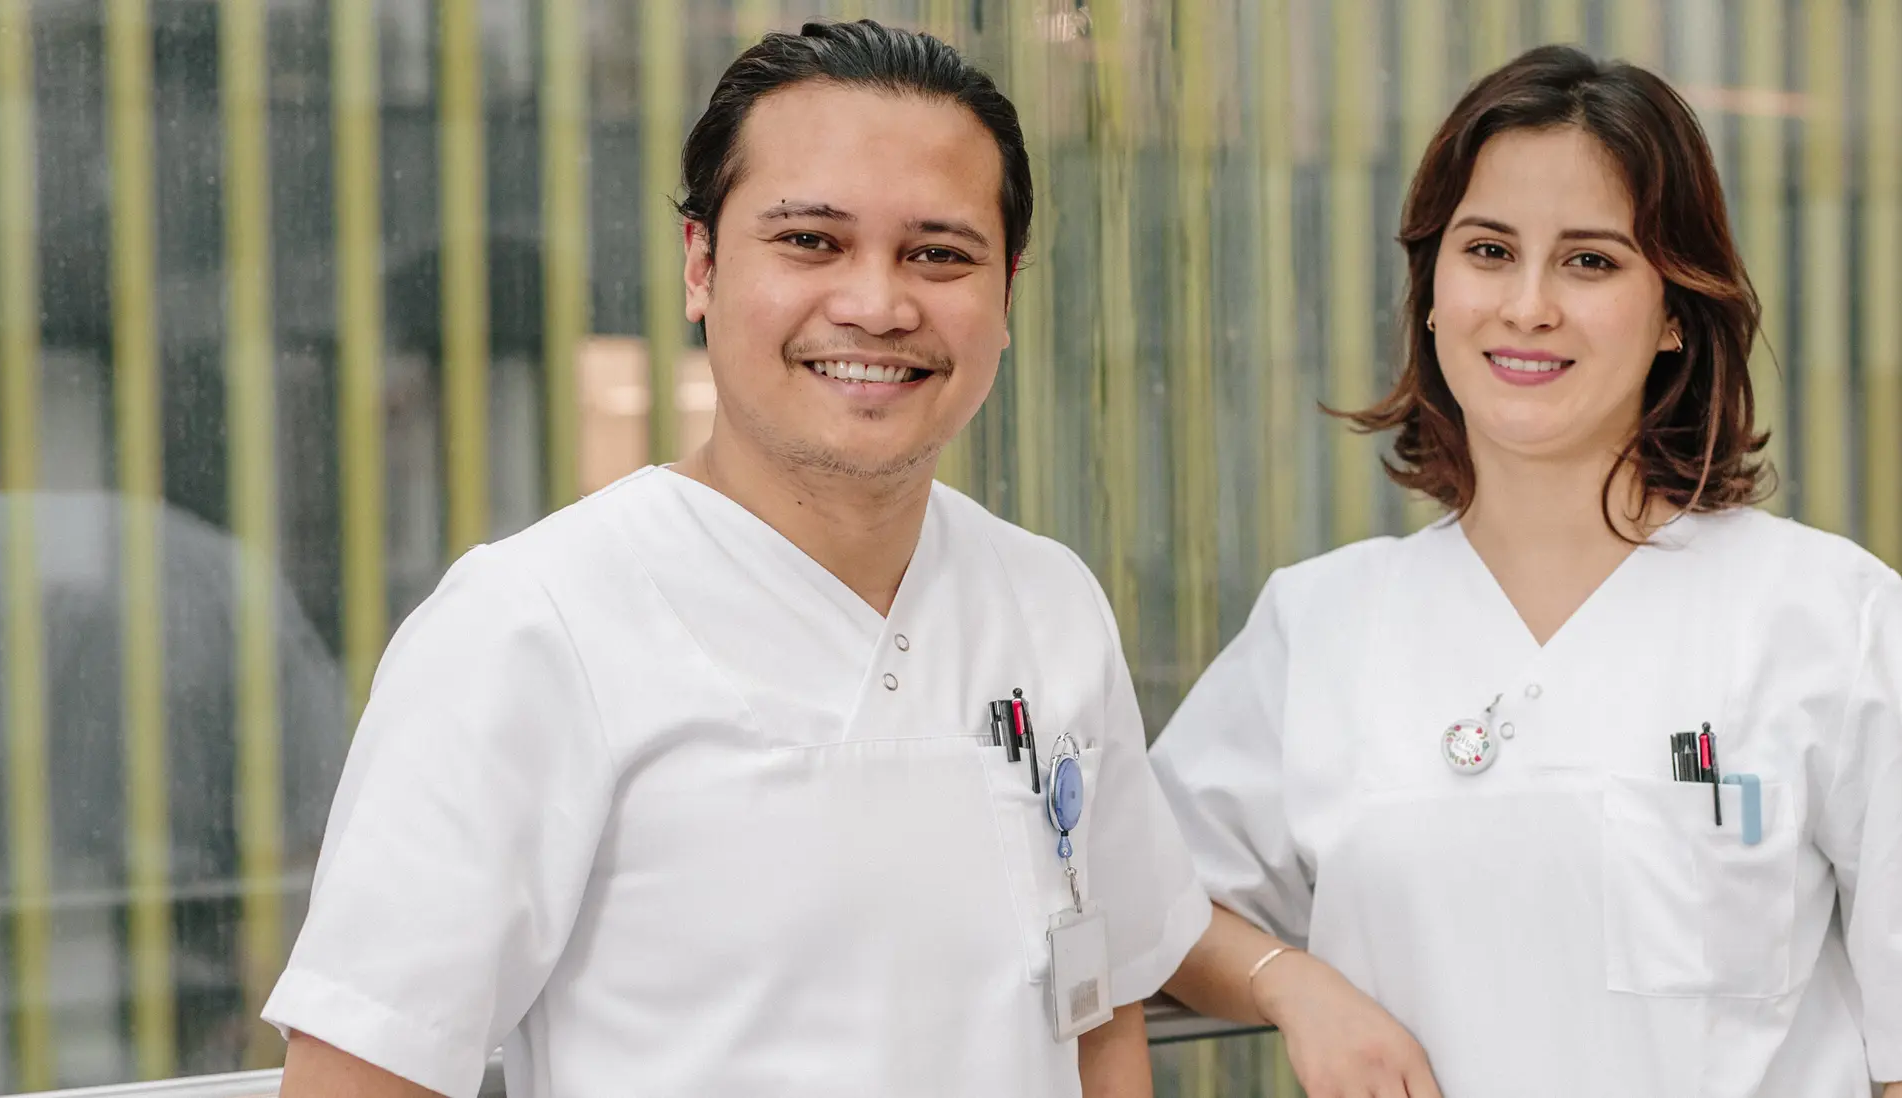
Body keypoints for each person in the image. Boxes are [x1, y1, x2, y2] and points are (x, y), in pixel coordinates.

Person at [264, 21, 1208, 1098]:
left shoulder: (1049, 602)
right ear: (701, 267)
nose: (876, 304)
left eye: (938, 254)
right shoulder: (531, 624)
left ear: (1006, 295)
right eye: (811, 241)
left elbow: (1101, 1016)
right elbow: (362, 1072)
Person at [1148, 46, 1902, 1098]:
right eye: (1487, 250)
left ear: (1674, 309)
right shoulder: (1323, 625)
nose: (1528, 305)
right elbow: (1147, 894)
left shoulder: (1824, 614)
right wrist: (1291, 983)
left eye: (1590, 261)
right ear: (1432, 290)